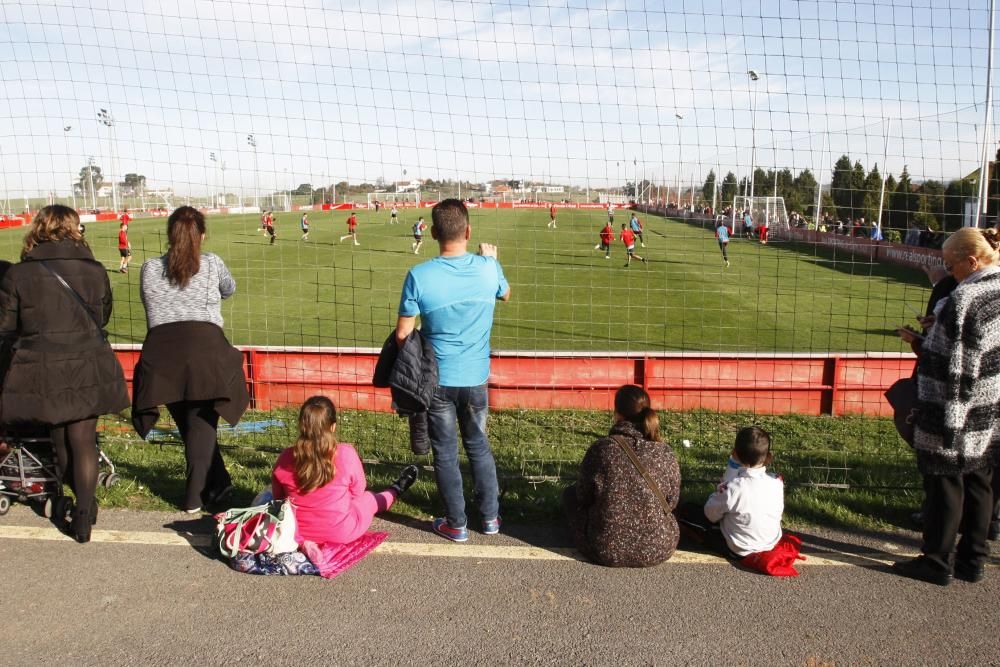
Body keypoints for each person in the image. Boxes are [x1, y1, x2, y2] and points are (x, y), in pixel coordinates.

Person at [0, 205, 129, 542]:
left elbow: (7, 326)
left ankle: (77, 504)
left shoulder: (19, 274)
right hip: (88, 361)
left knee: (60, 439)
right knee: (83, 439)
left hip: (44, 367)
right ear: (74, 229)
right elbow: (102, 316)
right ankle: (85, 513)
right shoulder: (95, 270)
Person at [394, 199, 510, 542]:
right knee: (478, 445)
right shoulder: (488, 268)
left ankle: (456, 524)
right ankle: (490, 519)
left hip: (438, 380)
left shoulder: (419, 275)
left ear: (432, 233)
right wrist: (491, 260)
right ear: (469, 230)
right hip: (476, 378)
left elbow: (402, 334)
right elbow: (505, 294)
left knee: (444, 451)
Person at [893, 227, 1000, 586]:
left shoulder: (965, 299)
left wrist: (951, 422)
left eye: (951, 265)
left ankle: (936, 560)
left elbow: (956, 364)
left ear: (971, 260)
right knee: (980, 480)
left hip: (955, 405)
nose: (948, 272)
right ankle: (973, 561)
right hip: (990, 404)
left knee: (946, 483)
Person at [131, 206, 249, 514]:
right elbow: (230, 289)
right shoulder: (211, 264)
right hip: (203, 352)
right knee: (200, 424)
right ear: (202, 236)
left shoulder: (148, 268)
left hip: (161, 356)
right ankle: (194, 497)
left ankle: (219, 483)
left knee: (193, 424)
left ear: (170, 235)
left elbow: (151, 302)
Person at [270, 396, 419, 545]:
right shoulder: (346, 454)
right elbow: (358, 492)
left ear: (301, 425)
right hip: (341, 532)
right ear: (333, 427)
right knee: (369, 498)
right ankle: (396, 489)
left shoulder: (286, 457)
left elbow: (278, 498)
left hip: (294, 532)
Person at [563, 385, 681, 567]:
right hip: (659, 547)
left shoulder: (601, 449)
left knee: (569, 495)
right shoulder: (664, 452)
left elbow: (583, 496)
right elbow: (672, 502)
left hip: (605, 548)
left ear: (617, 414)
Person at [694, 427, 784, 559]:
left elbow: (710, 514)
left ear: (734, 453)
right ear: (768, 457)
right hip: (771, 543)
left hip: (741, 549)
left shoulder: (733, 487)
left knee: (690, 514)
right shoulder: (777, 482)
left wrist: (722, 486)